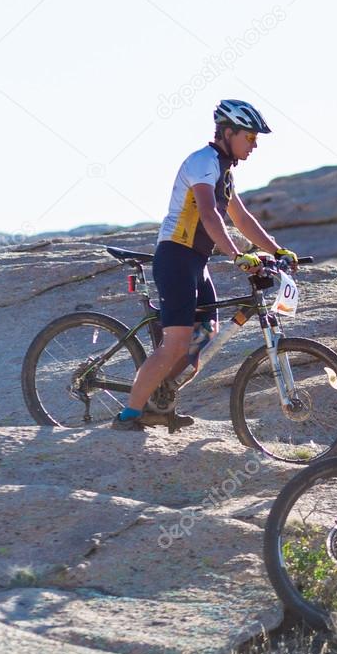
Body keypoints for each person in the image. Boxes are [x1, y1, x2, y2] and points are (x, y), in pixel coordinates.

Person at [112, 99, 299, 431]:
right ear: (228, 132)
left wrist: (278, 250)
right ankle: (130, 413)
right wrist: (235, 255)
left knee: (204, 339)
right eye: (250, 137)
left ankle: (160, 401)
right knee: (177, 343)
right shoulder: (203, 162)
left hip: (196, 262)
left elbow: (241, 217)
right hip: (175, 257)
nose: (254, 145)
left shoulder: (224, 172)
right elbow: (210, 212)